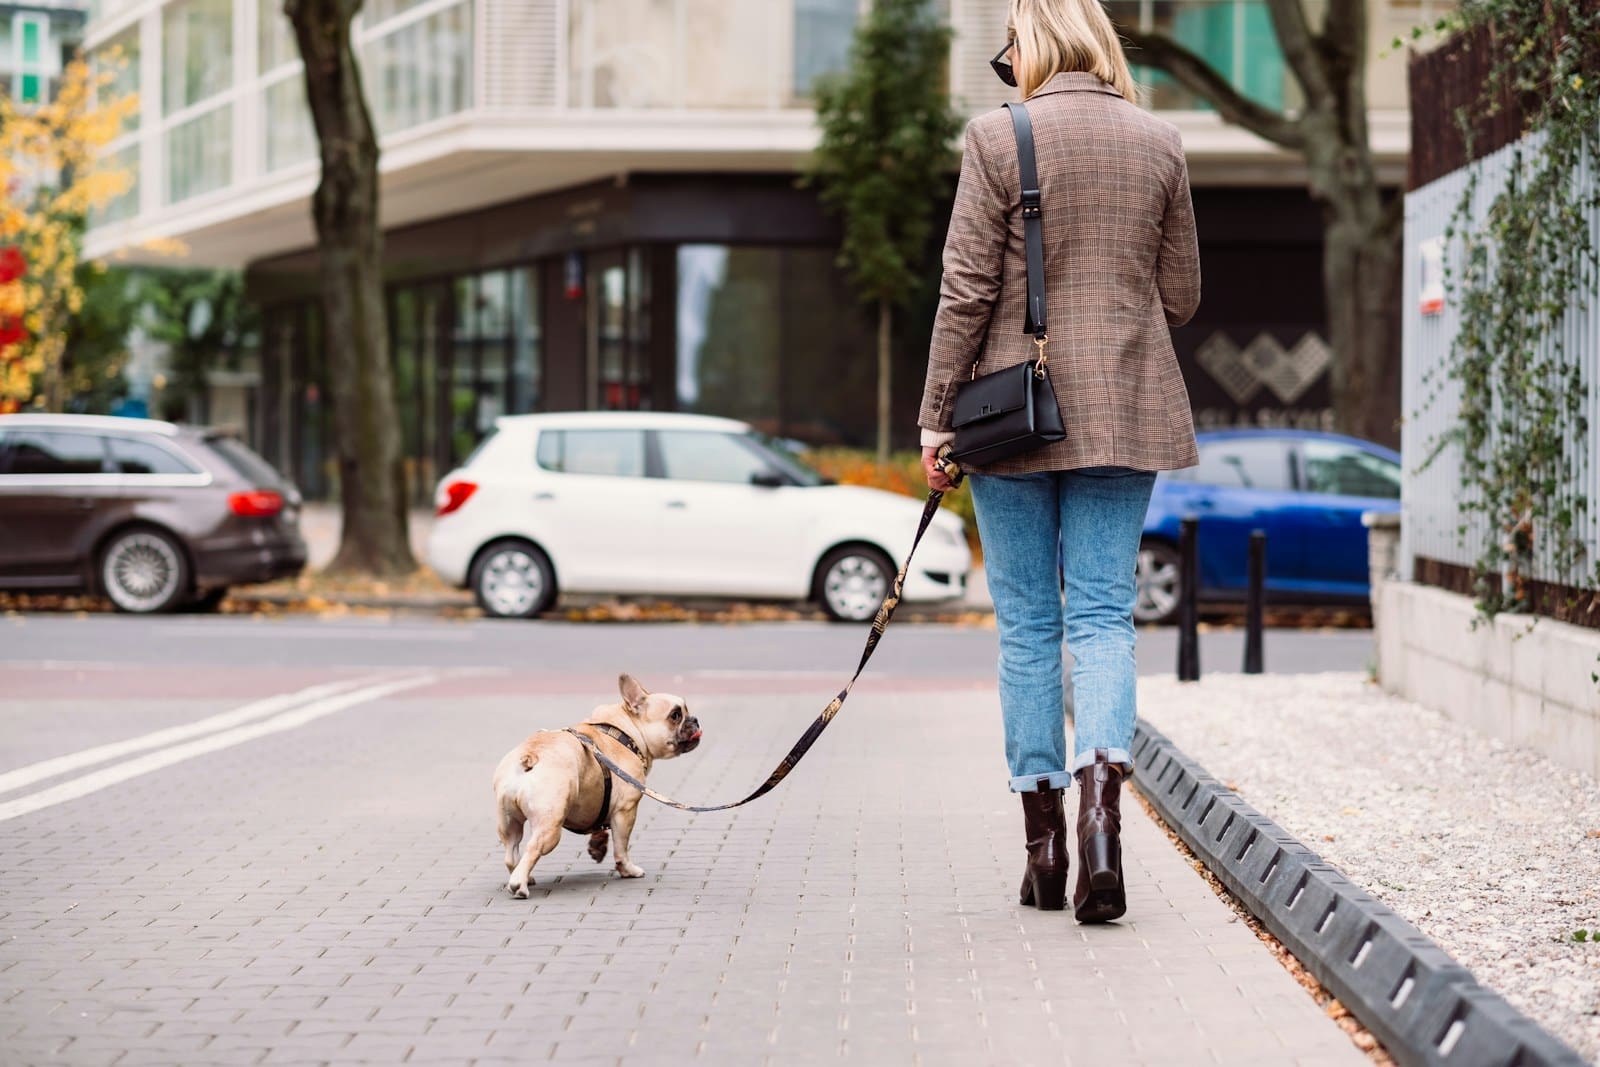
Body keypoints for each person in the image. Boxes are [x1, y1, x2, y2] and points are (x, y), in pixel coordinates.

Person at [918, 0, 1200, 922]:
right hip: (1125, 406)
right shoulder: (1160, 142)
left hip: (1011, 416)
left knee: (1031, 626)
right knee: (1105, 619)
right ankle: (1103, 830)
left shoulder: (999, 140)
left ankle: (1042, 854)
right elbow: (1183, 294)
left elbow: (966, 289)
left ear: (1025, 45)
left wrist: (933, 420)